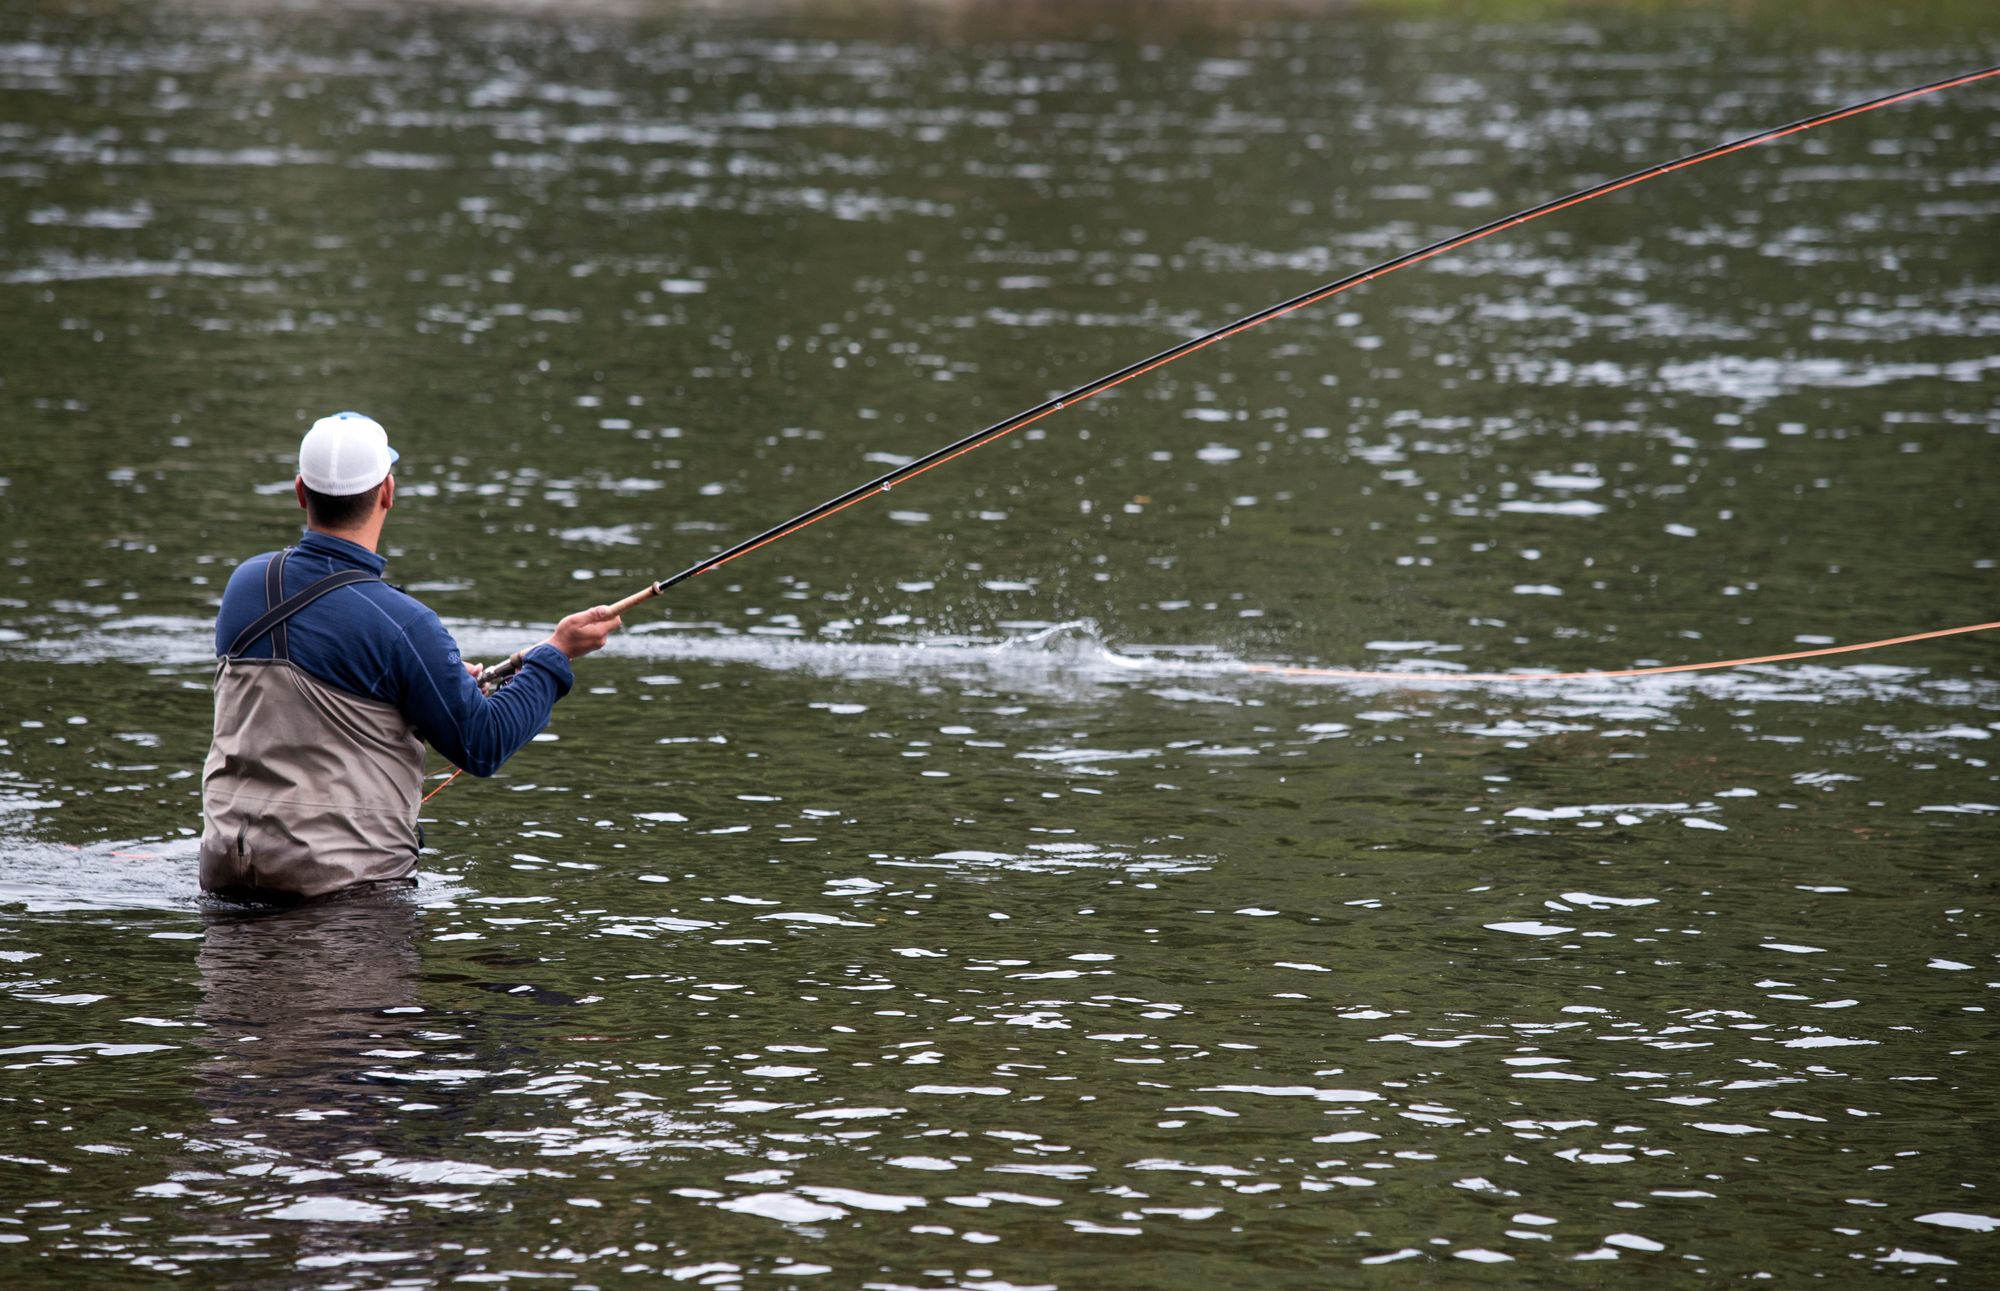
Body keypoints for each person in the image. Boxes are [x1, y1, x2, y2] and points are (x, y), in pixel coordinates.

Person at [199, 411, 620, 901]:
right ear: (387, 493)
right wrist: (555, 657)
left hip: (227, 871)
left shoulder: (246, 586)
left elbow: (314, 682)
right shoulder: (404, 624)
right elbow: (482, 744)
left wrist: (416, 685)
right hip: (345, 891)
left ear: (299, 491)